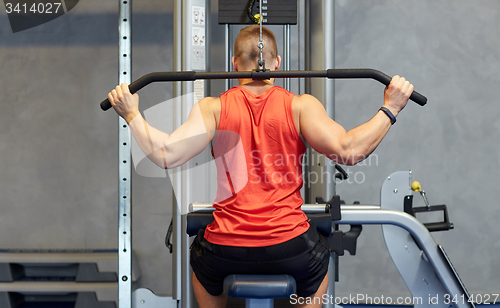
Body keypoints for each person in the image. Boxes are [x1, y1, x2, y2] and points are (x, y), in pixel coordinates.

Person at [108, 25, 414, 308]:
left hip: (225, 249)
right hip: (288, 246)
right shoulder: (300, 106)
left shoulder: (213, 108)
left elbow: (165, 154)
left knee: (201, 267)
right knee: (320, 265)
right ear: (277, 63)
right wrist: (391, 107)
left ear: (234, 64)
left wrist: (132, 114)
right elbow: (350, 150)